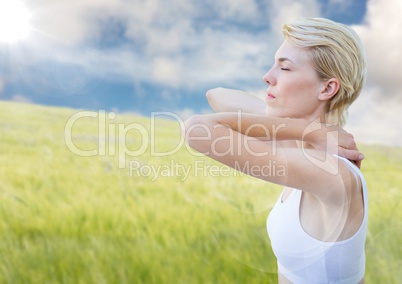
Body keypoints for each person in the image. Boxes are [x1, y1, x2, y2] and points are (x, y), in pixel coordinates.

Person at [182, 17, 368, 283]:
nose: (267, 77)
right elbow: (217, 94)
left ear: (327, 88)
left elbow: (196, 130)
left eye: (285, 68)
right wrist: (307, 130)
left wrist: (309, 131)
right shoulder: (300, 144)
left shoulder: (332, 170)